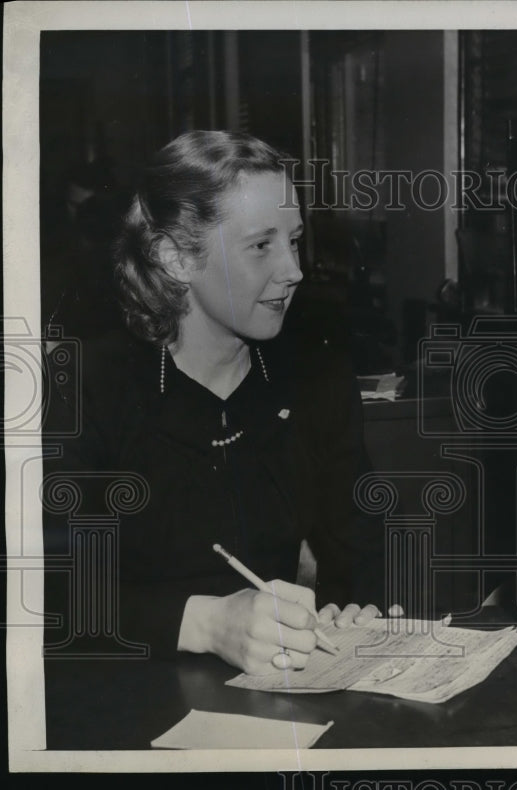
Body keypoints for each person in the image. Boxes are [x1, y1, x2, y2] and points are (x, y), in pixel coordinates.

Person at [44, 130, 387, 674]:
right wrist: (204, 623)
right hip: (122, 693)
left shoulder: (316, 380)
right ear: (176, 258)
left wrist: (355, 609)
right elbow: (46, 591)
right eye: (261, 245)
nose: (293, 270)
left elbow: (362, 548)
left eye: (294, 240)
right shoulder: (83, 388)